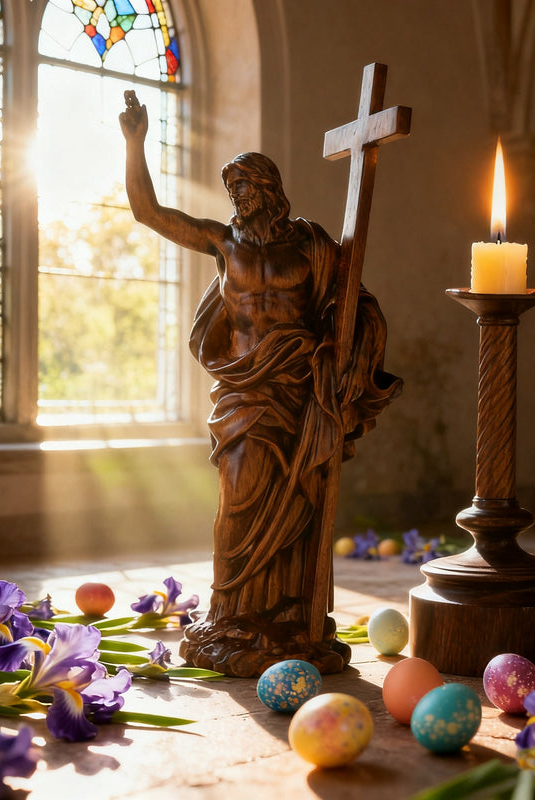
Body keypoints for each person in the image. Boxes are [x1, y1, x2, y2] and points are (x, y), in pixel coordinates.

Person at [120, 90, 401, 677]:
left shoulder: (312, 245)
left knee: (298, 501)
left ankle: (288, 618)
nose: (237, 198)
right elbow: (148, 213)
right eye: (232, 190)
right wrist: (135, 142)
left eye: (244, 187)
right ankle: (231, 614)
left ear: (268, 188)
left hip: (303, 389)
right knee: (239, 499)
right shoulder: (224, 243)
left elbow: (352, 306)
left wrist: (341, 353)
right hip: (245, 393)